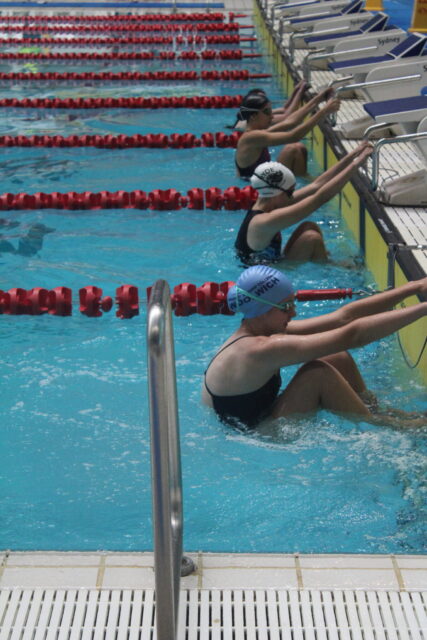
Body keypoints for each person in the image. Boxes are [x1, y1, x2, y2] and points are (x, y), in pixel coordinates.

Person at [202, 265, 427, 432]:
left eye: (293, 303)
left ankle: (379, 412)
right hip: (256, 435)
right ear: (262, 310)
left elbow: (343, 318)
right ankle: (386, 426)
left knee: (335, 356)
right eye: (286, 306)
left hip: (261, 414)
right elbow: (352, 336)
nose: (294, 313)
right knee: (317, 374)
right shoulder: (258, 350)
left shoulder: (260, 330)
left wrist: (413, 287)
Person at [235, 142, 372, 265]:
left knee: (309, 226)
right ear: (277, 192)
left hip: (273, 262)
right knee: (311, 238)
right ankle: (331, 268)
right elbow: (319, 198)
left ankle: (325, 261)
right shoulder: (263, 221)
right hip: (266, 276)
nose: (292, 196)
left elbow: (316, 186)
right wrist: (356, 165)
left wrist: (354, 155)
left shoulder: (268, 202)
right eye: (290, 192)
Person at [234, 87, 340, 178]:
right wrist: (324, 112)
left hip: (264, 181)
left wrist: (319, 98)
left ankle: (305, 182)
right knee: (293, 149)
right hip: (253, 189)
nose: (272, 116)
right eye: (267, 112)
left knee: (298, 149)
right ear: (253, 116)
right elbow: (293, 136)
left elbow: (290, 122)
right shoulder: (251, 138)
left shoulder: (257, 133)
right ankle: (309, 184)